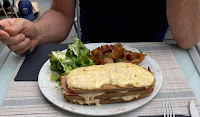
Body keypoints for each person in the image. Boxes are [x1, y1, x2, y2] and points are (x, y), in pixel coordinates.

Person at [0, 0, 199, 55]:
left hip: (150, 59)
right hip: (91, 57)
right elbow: (61, 14)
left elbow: (187, 37)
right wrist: (37, 32)